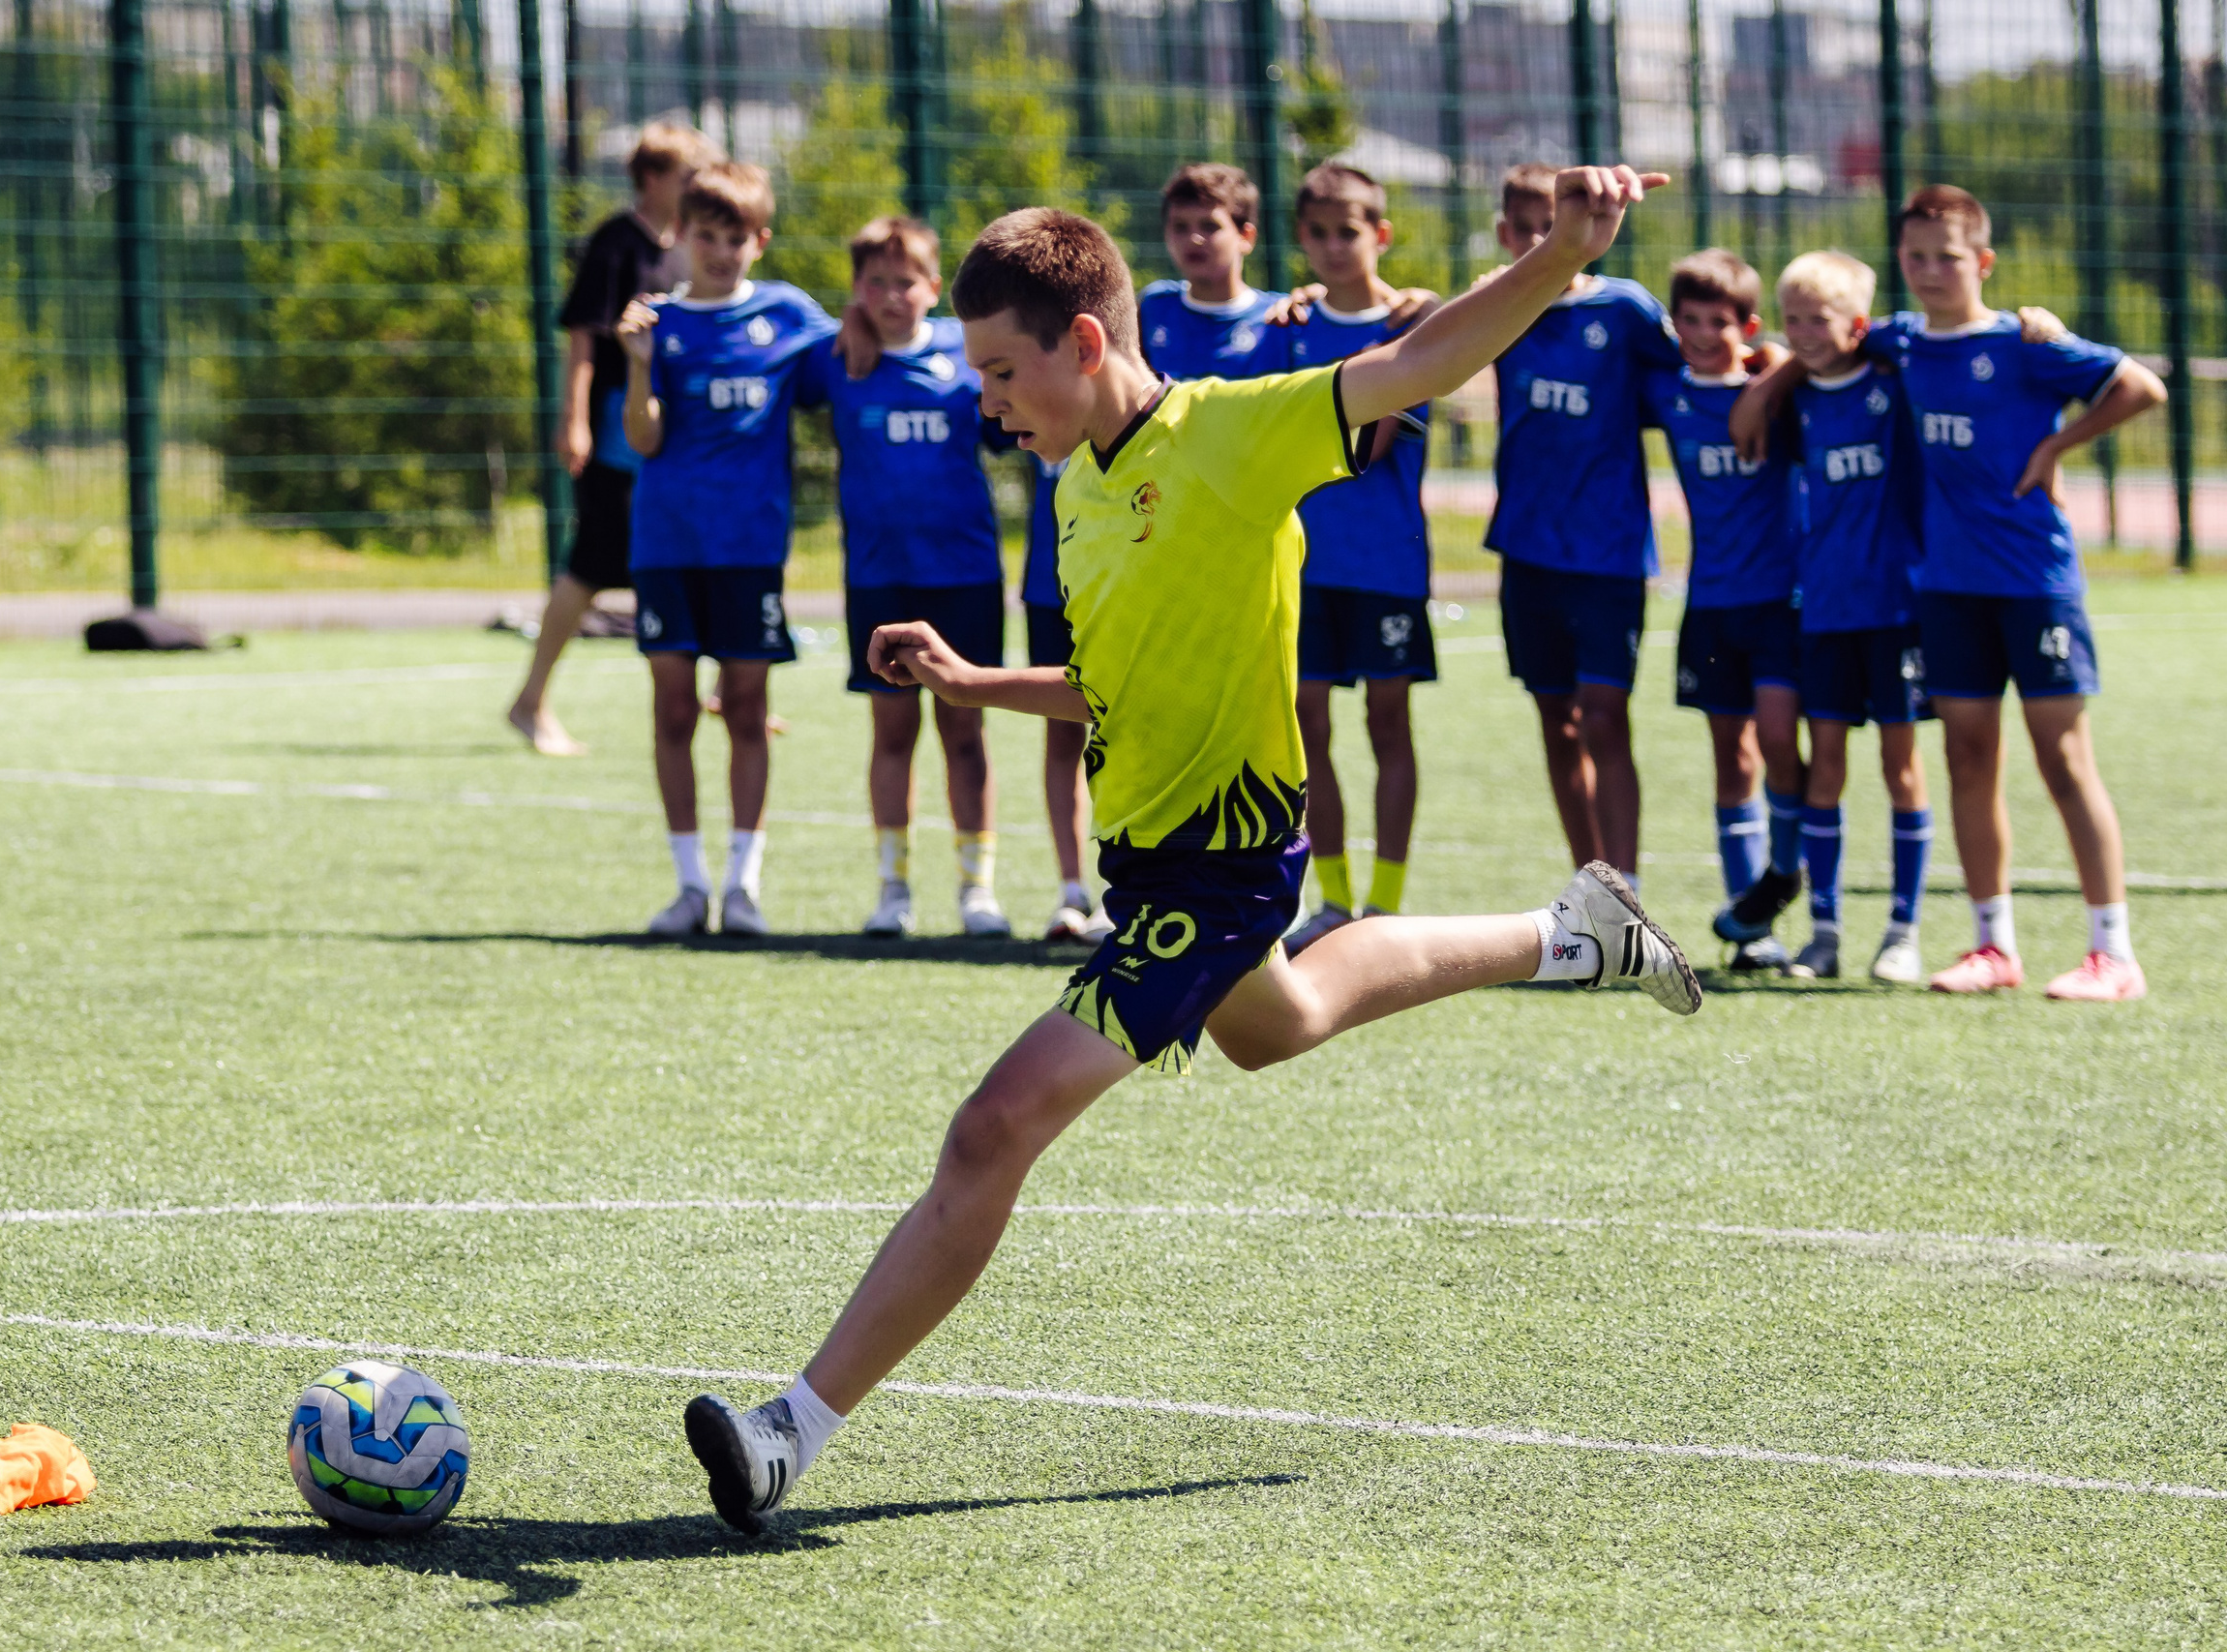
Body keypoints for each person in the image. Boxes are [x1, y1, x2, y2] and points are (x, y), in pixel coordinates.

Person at [680, 173, 1700, 1535]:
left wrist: (1564, 257)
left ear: (1085, 343)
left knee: (993, 1128)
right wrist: (978, 680)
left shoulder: (1235, 433)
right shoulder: (1075, 486)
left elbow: (1418, 360)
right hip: (1155, 870)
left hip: (1218, 870)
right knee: (1288, 1016)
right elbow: (1115, 686)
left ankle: (787, 1432)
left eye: (1001, 370)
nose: (986, 401)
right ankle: (1573, 929)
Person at [1734, 185, 2167, 1000]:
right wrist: (1768, 382)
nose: (1931, 271)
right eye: (1916, 257)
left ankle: (2114, 950)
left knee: (2064, 760)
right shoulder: (1897, 340)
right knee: (1968, 756)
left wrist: (2056, 446)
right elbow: (1831, 341)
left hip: (2034, 583)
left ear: (1985, 262)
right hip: (1944, 589)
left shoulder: (2028, 342)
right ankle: (1992, 943)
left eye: (1949, 257)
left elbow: (2143, 387)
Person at [614, 161, 831, 938]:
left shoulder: (791, 316)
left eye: (735, 236)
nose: (720, 250)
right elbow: (643, 437)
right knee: (673, 709)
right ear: (681, 237)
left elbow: (857, 359)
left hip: (750, 552)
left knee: (746, 707)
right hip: (667, 545)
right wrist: (639, 367)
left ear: (760, 241)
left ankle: (743, 886)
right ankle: (687, 886)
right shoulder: (655, 325)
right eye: (706, 234)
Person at [798, 217, 1012, 939]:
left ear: (933, 286)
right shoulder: (836, 357)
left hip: (966, 574)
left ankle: (977, 888)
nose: (893, 295)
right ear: (858, 289)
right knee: (891, 730)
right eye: (877, 283)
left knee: (965, 728)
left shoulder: (967, 354)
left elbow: (1008, 425)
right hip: (880, 579)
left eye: (908, 280)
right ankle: (892, 888)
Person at [1485, 164, 1683, 891]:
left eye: (1555, 221)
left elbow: (1694, 379)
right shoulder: (1499, 307)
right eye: (1528, 225)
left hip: (1609, 551)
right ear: (1507, 235)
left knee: (1604, 716)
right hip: (1527, 549)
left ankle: (1625, 888)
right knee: (1557, 721)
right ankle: (1588, 886)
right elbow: (1419, 334)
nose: (1544, 237)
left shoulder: (1628, 311)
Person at [506, 121, 718, 757]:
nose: (696, 186)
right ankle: (530, 700)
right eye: (687, 175)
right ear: (653, 179)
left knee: (681, 549)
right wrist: (574, 421)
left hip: (668, 426)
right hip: (615, 428)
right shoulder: (616, 243)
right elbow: (582, 339)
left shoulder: (685, 245)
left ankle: (701, 685)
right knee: (593, 563)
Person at [1277, 165, 1437, 955]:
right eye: (1319, 232)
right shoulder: (1288, 326)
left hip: (1387, 565)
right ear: (1301, 238)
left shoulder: (1418, 326)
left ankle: (1388, 901)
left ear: (1381, 234)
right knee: (1308, 725)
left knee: (1387, 720)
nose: (1335, 247)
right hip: (1304, 565)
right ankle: (1334, 899)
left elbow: (1374, 444)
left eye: (1350, 231)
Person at [1769, 251, 1933, 982]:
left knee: (1902, 767)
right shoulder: (1794, 399)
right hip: (1824, 610)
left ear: (1858, 325)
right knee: (1824, 768)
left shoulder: (1894, 386)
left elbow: (1913, 334)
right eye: (1792, 318)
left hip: (1895, 608)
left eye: (1820, 319)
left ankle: (1903, 929)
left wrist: (1876, 335)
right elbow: (1747, 413)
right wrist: (1777, 371)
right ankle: (1825, 929)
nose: (1803, 332)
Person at [1638, 250, 1803, 973]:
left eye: (1721, 322)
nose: (1706, 335)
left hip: (1779, 601)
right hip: (1708, 603)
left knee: (1777, 743)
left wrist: (1776, 371)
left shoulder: (1774, 388)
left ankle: (1787, 872)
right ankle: (1752, 927)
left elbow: (1823, 355)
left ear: (1749, 326)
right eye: (1693, 321)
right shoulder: (1665, 392)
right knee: (1729, 759)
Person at [1019, 450, 1111, 943]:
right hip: (1047, 587)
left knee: (1124, 732)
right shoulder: (1032, 385)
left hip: (1116, 582)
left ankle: (1125, 892)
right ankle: (1072, 890)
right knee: (1061, 736)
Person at [1137, 164, 1291, 383]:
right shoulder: (1153, 306)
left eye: (1210, 226)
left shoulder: (1281, 317)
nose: (1193, 239)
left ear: (1246, 237)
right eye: (1180, 227)